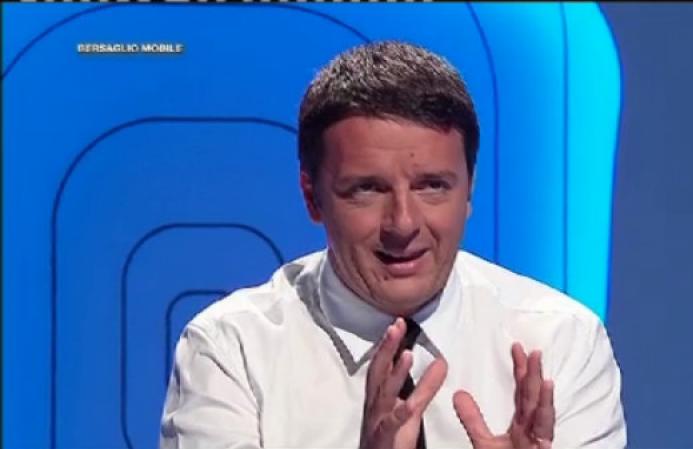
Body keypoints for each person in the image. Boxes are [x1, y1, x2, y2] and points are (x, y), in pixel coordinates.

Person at [160, 41, 626, 449]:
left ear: (469, 190)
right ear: (312, 197)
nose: (403, 223)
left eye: (432, 186)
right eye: (367, 189)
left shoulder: (562, 341)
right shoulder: (231, 350)